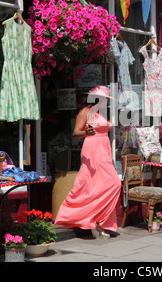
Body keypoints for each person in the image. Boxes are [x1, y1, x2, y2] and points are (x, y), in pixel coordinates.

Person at [54, 85, 121, 239]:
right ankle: (92, 220)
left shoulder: (101, 113)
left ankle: (98, 221)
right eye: (105, 99)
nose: (106, 102)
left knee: (109, 185)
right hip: (92, 150)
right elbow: (76, 133)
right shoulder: (85, 112)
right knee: (100, 184)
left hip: (104, 150)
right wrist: (86, 132)